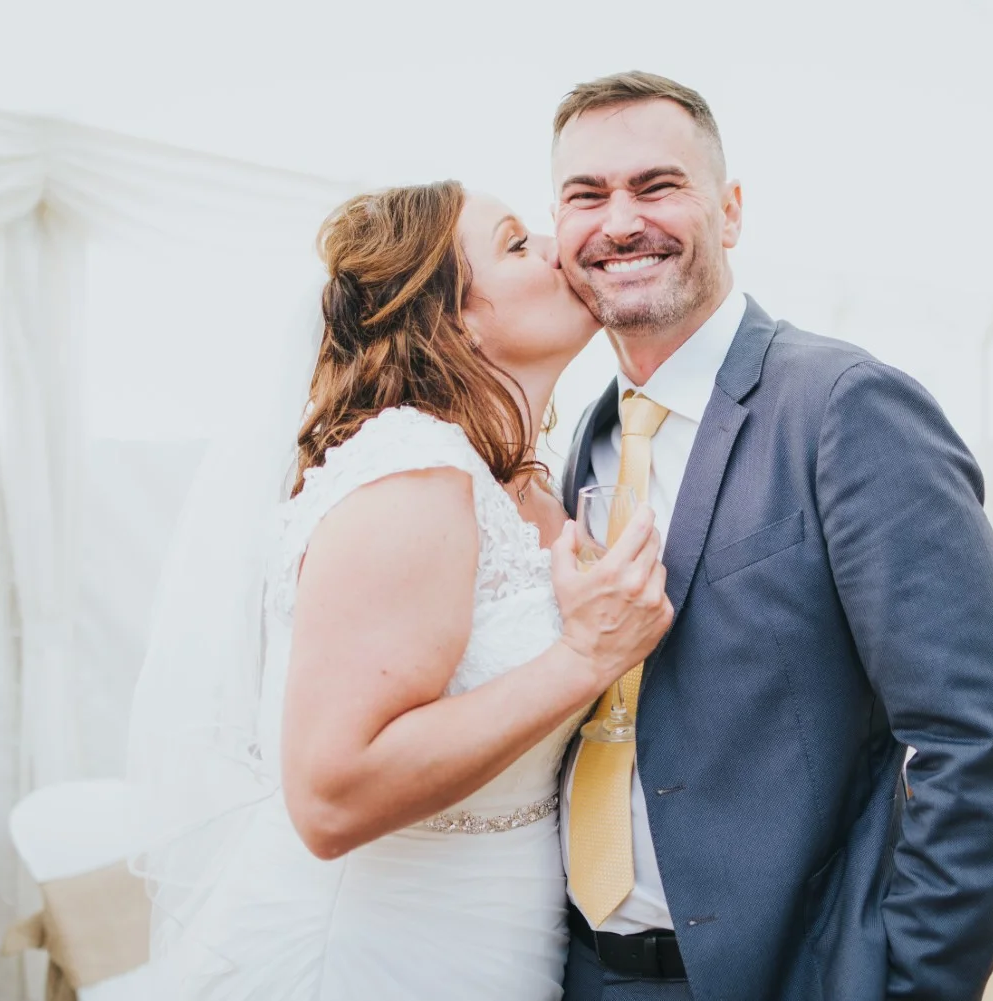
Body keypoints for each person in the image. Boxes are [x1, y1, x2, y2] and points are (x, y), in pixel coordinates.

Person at [550, 72, 993, 1001]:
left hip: (791, 975)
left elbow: (981, 739)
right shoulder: (590, 432)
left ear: (731, 210)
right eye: (587, 195)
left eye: (657, 186)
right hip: (581, 969)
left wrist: (904, 984)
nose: (620, 222)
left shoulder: (846, 406)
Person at [126, 181, 672, 1000]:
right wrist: (582, 658)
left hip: (506, 947)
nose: (559, 245)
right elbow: (330, 797)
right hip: (371, 955)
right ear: (453, 319)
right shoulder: (411, 477)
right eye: (517, 243)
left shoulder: (534, 489)